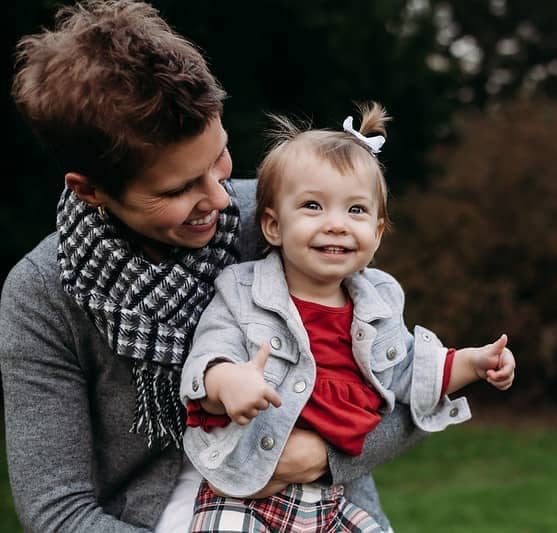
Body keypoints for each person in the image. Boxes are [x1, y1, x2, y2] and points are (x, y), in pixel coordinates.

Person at [1, 2, 427, 532]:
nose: (221, 198)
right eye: (178, 189)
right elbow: (55, 510)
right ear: (90, 190)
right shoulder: (43, 295)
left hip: (325, 513)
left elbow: (408, 388)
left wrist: (321, 458)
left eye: (219, 158)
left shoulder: (280, 221)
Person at [180, 103, 516, 532]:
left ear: (376, 232)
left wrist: (473, 363)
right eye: (313, 206)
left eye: (355, 210)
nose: (336, 224)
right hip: (243, 491)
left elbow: (409, 372)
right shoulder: (242, 291)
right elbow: (208, 357)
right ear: (273, 226)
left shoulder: (379, 303)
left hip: (331, 499)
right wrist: (228, 382)